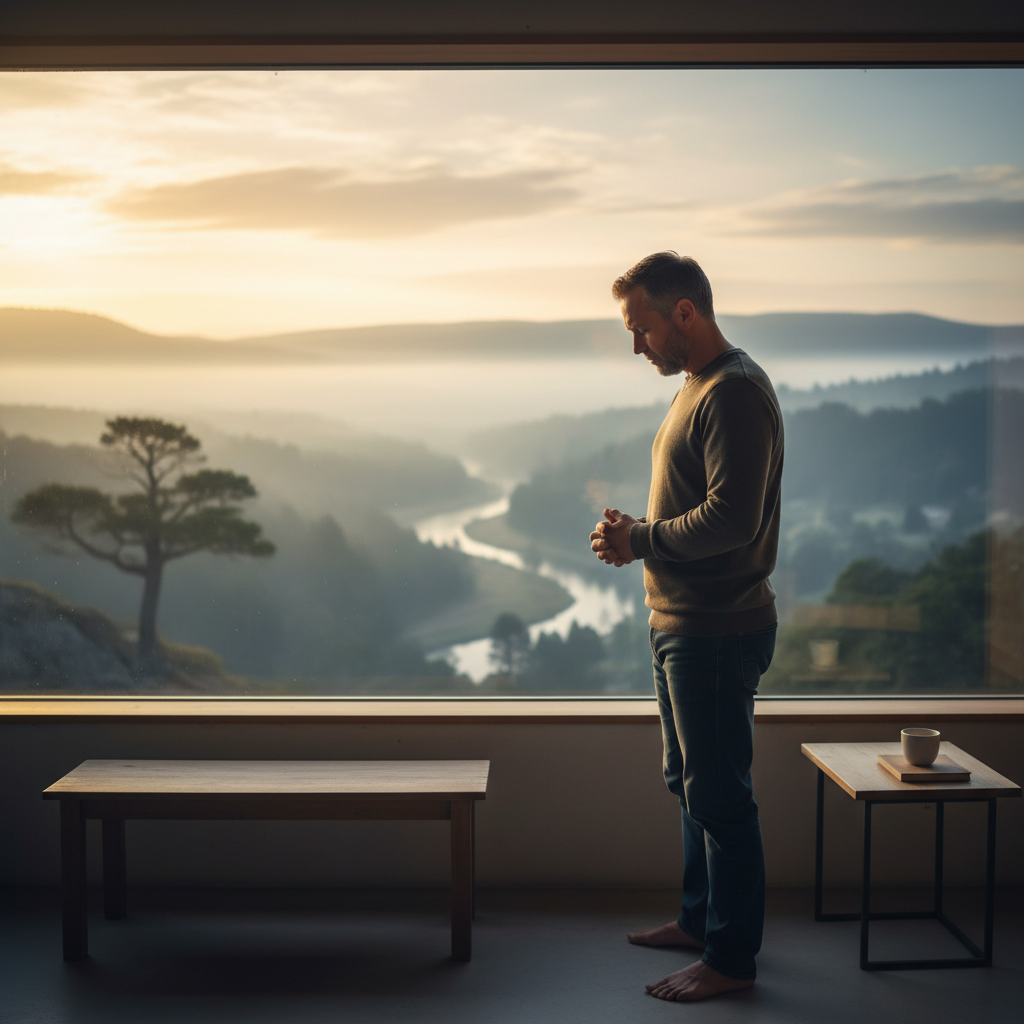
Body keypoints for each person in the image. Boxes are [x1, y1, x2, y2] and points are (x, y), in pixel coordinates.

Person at [590, 252, 783, 1002]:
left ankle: (731, 961)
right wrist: (639, 532)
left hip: (716, 628)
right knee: (689, 783)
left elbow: (733, 520)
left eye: (642, 329)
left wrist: (640, 540)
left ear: (684, 314)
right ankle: (702, 921)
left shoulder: (733, 393)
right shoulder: (701, 386)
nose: (638, 347)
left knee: (720, 796)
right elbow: (698, 506)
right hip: (684, 622)